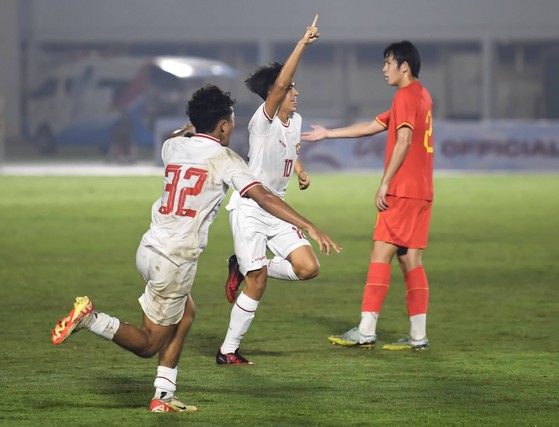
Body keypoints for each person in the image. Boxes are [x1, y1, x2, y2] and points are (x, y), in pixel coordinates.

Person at [51, 84, 340, 413]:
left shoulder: (173, 146)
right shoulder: (226, 159)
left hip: (149, 248)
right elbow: (265, 197)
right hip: (175, 261)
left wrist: (189, 129)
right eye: (230, 121)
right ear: (222, 125)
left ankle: (163, 396)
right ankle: (91, 319)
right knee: (148, 344)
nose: (232, 126)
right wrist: (308, 225)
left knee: (186, 314)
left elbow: (177, 135)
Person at [301, 40, 433, 351]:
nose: (383, 68)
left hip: (402, 191)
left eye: (388, 63)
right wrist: (329, 133)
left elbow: (402, 140)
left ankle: (366, 329)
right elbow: (373, 125)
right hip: (423, 191)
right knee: (410, 259)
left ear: (404, 66)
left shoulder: (404, 95)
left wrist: (385, 182)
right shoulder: (421, 95)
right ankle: (418, 335)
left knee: (379, 254)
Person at [217, 16, 320, 365]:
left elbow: (291, 150)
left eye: (294, 89)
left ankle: (245, 264)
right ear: (276, 92)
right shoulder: (264, 120)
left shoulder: (297, 120)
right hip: (249, 208)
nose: (295, 92)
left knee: (308, 268)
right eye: (291, 88)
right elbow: (280, 85)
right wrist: (302, 43)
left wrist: (301, 170)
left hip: (277, 208)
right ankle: (227, 351)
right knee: (257, 284)